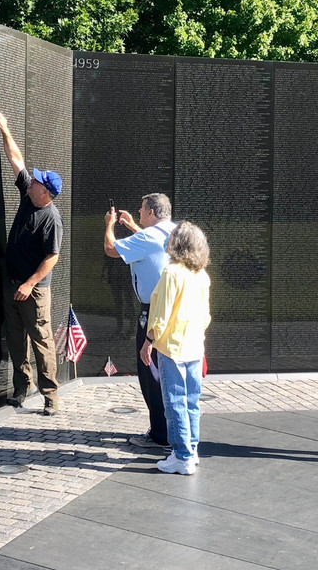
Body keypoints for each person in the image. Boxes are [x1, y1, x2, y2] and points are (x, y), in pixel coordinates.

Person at [0, 107, 64, 415]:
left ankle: (51, 396)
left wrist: (29, 283)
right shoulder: (27, 195)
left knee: (41, 341)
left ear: (46, 193)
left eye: (37, 182)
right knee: (16, 339)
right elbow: (16, 160)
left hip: (33, 290)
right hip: (12, 284)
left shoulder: (51, 219)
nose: (31, 181)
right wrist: (5, 130)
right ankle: (23, 387)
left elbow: (52, 257)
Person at [104, 193, 177, 450]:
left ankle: (160, 434)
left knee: (151, 372)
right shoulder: (178, 231)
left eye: (142, 210)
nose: (139, 211)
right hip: (178, 310)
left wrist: (109, 225)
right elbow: (154, 246)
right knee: (171, 372)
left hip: (153, 311)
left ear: (152, 213)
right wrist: (135, 227)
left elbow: (111, 249)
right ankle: (174, 430)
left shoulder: (146, 237)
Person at [139, 221, 212, 475]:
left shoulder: (171, 273)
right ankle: (190, 450)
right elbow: (205, 316)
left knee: (174, 402)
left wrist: (148, 341)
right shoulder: (201, 274)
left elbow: (161, 314)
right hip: (194, 344)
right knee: (192, 401)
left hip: (171, 346)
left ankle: (182, 456)